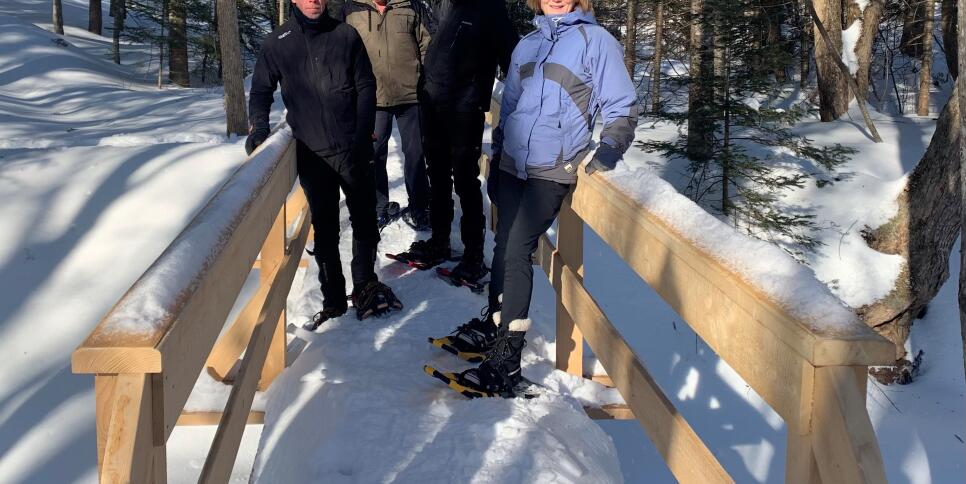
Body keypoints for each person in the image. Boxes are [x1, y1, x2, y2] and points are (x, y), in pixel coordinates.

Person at [427, 0, 638, 397]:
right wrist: (498, 155)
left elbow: (621, 104)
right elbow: (509, 105)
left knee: (517, 250)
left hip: (551, 170)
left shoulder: (595, 41)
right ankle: (494, 324)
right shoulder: (528, 43)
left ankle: (507, 359)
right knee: (504, 246)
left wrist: (611, 146)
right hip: (512, 165)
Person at [247, 0, 403, 325]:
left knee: (365, 221)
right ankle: (333, 299)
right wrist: (259, 129)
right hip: (313, 152)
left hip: (353, 148)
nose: (314, 1)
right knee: (326, 229)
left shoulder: (345, 35)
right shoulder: (278, 43)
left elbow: (365, 85)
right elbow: (261, 90)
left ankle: (365, 284)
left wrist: (363, 134)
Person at [393, 0, 518, 283]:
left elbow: (513, 62)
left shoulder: (492, 9)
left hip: (465, 108)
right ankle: (440, 241)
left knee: (465, 181)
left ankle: (474, 255)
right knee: (437, 177)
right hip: (433, 104)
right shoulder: (447, 4)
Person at [342, 0, 434, 231]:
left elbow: (426, 45)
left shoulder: (411, 5)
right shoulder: (351, 9)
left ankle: (420, 207)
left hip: (410, 95)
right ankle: (378, 207)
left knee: (415, 153)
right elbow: (342, 49)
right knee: (373, 154)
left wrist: (425, 80)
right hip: (371, 98)